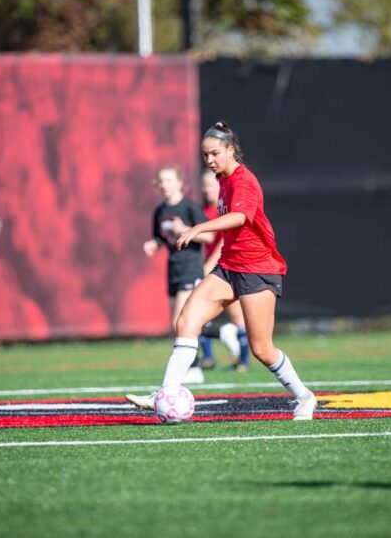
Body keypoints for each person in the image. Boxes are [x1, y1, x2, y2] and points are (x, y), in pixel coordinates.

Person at [128, 121, 317, 420]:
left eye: (215, 153)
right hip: (229, 267)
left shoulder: (243, 180)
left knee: (262, 349)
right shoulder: (223, 180)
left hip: (257, 269)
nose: (210, 160)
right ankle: (166, 391)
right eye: (205, 155)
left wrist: (198, 227)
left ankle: (304, 397)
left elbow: (240, 217)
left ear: (231, 150)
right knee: (187, 321)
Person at [143, 165, 214, 384]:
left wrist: (186, 229)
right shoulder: (160, 212)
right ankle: (222, 337)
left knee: (180, 321)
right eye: (162, 181)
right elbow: (161, 238)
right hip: (172, 269)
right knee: (177, 322)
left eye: (169, 180)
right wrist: (153, 244)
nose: (165, 185)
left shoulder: (189, 208)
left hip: (190, 266)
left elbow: (209, 237)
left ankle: (193, 366)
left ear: (180, 183)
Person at [197, 168, 251, 372]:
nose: (207, 189)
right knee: (201, 315)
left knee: (238, 316)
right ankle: (209, 358)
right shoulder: (203, 211)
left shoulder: (225, 210)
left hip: (228, 267)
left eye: (211, 184)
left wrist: (208, 265)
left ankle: (243, 362)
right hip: (214, 268)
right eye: (204, 185)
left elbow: (223, 242)